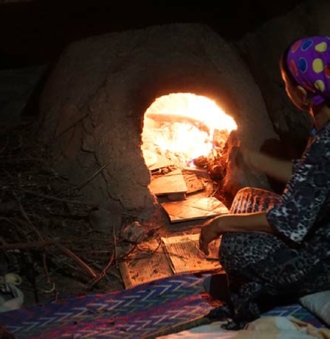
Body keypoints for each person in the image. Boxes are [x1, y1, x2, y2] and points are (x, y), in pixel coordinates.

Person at [199, 36, 330, 330]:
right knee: (247, 195)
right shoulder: (324, 127)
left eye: (285, 83)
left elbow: (289, 222)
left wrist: (220, 223)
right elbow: (314, 178)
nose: (285, 89)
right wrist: (256, 161)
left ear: (301, 93)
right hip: (318, 230)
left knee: (232, 244)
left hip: (323, 258)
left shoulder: (327, 143)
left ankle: (261, 299)